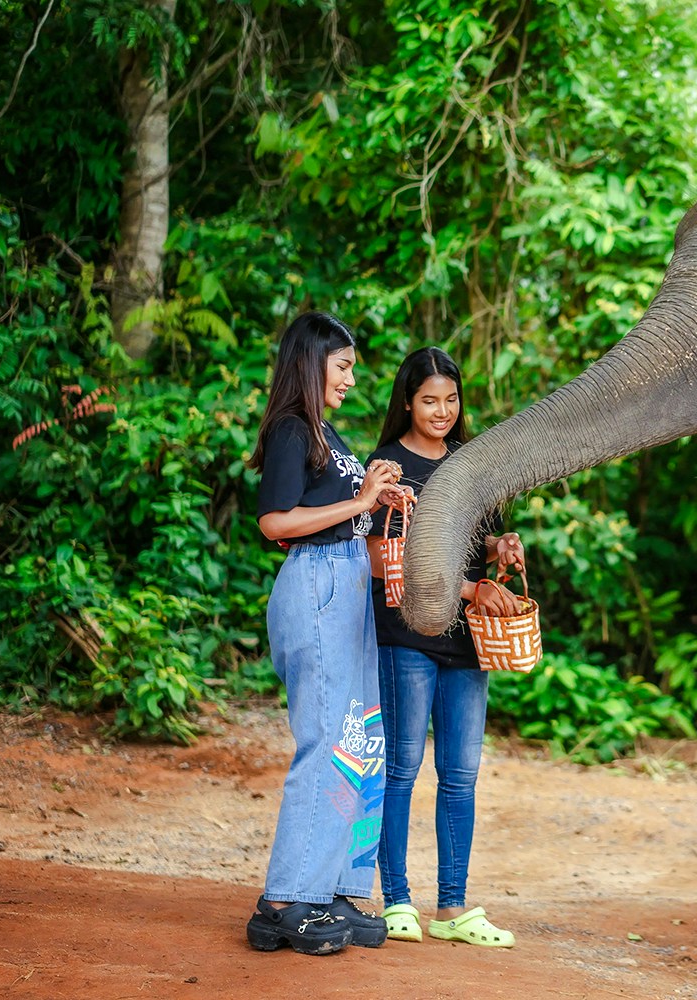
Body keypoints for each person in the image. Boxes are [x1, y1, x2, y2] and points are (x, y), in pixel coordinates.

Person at [245, 311, 411, 956]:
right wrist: (360, 502)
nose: (350, 378)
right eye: (342, 366)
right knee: (324, 741)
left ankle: (333, 887)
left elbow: (346, 516)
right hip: (315, 586)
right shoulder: (291, 429)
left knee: (358, 739)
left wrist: (379, 506)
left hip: (348, 584)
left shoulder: (328, 433)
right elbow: (277, 521)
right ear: (312, 363)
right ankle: (284, 901)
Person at [365, 346, 527, 947]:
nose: (441, 410)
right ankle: (396, 899)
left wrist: (498, 550)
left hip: (467, 644)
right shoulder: (387, 465)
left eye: (451, 399)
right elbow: (385, 559)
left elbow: (470, 542)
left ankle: (453, 906)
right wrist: (469, 587)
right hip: (407, 636)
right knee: (402, 768)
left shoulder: (468, 463)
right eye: (429, 399)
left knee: (460, 776)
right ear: (407, 401)